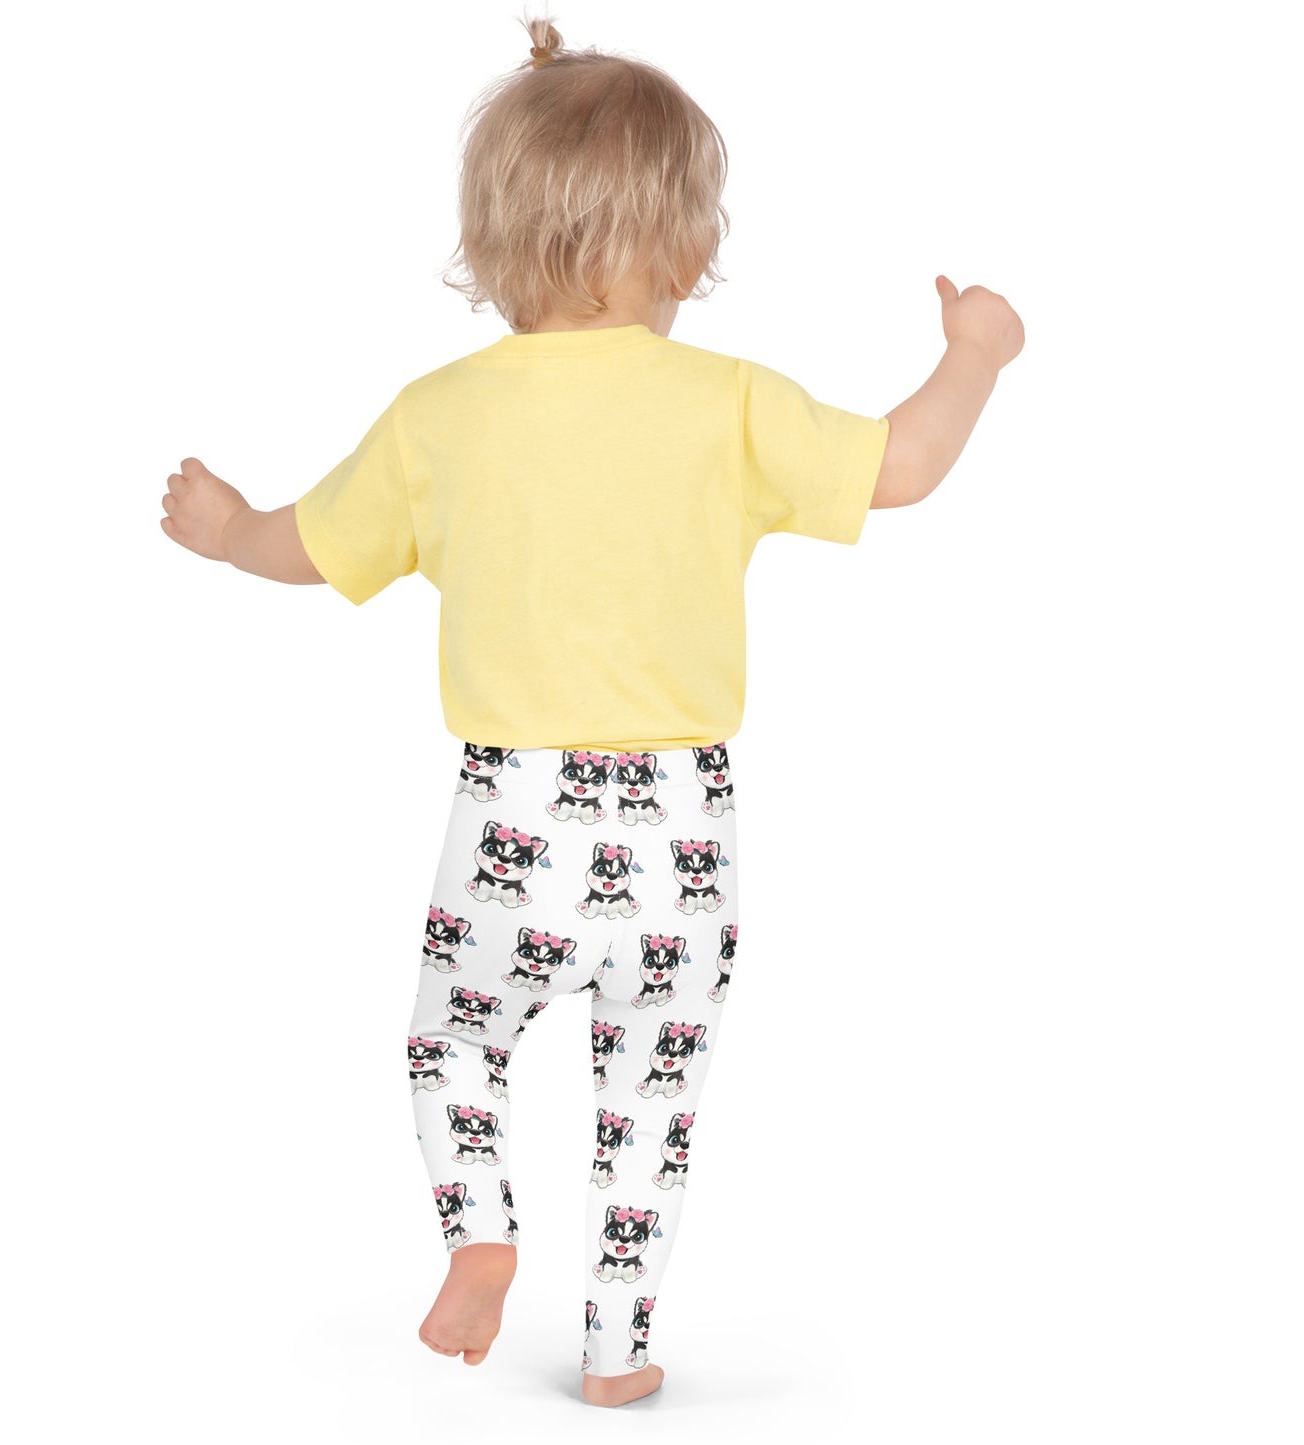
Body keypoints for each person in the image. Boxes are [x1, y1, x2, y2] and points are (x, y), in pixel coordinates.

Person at [159, 14, 1024, 1408]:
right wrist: (976, 350)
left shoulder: (440, 414)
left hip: (512, 813)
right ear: (682, 247)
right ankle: (617, 1355)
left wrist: (223, 529)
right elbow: (906, 467)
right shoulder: (728, 403)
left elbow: (303, 548)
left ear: (494, 243)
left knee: (453, 1041)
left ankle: (481, 1229)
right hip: (684, 832)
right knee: (651, 1106)